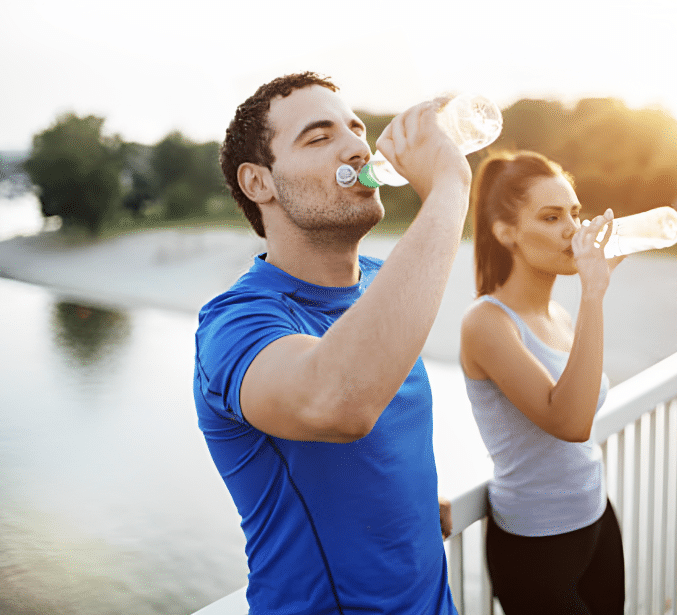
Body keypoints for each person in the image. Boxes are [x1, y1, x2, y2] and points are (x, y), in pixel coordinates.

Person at [193, 72, 470, 614]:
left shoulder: (381, 282)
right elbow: (337, 402)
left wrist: (408, 502)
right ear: (259, 183)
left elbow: (378, 446)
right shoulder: (234, 325)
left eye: (356, 127)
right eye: (319, 137)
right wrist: (450, 187)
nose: (356, 146)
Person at [459, 151, 626, 614]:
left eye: (575, 213)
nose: (573, 229)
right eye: (552, 217)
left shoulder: (559, 314)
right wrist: (594, 292)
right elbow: (571, 421)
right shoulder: (487, 323)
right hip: (536, 545)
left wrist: (589, 297)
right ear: (505, 231)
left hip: (594, 516)